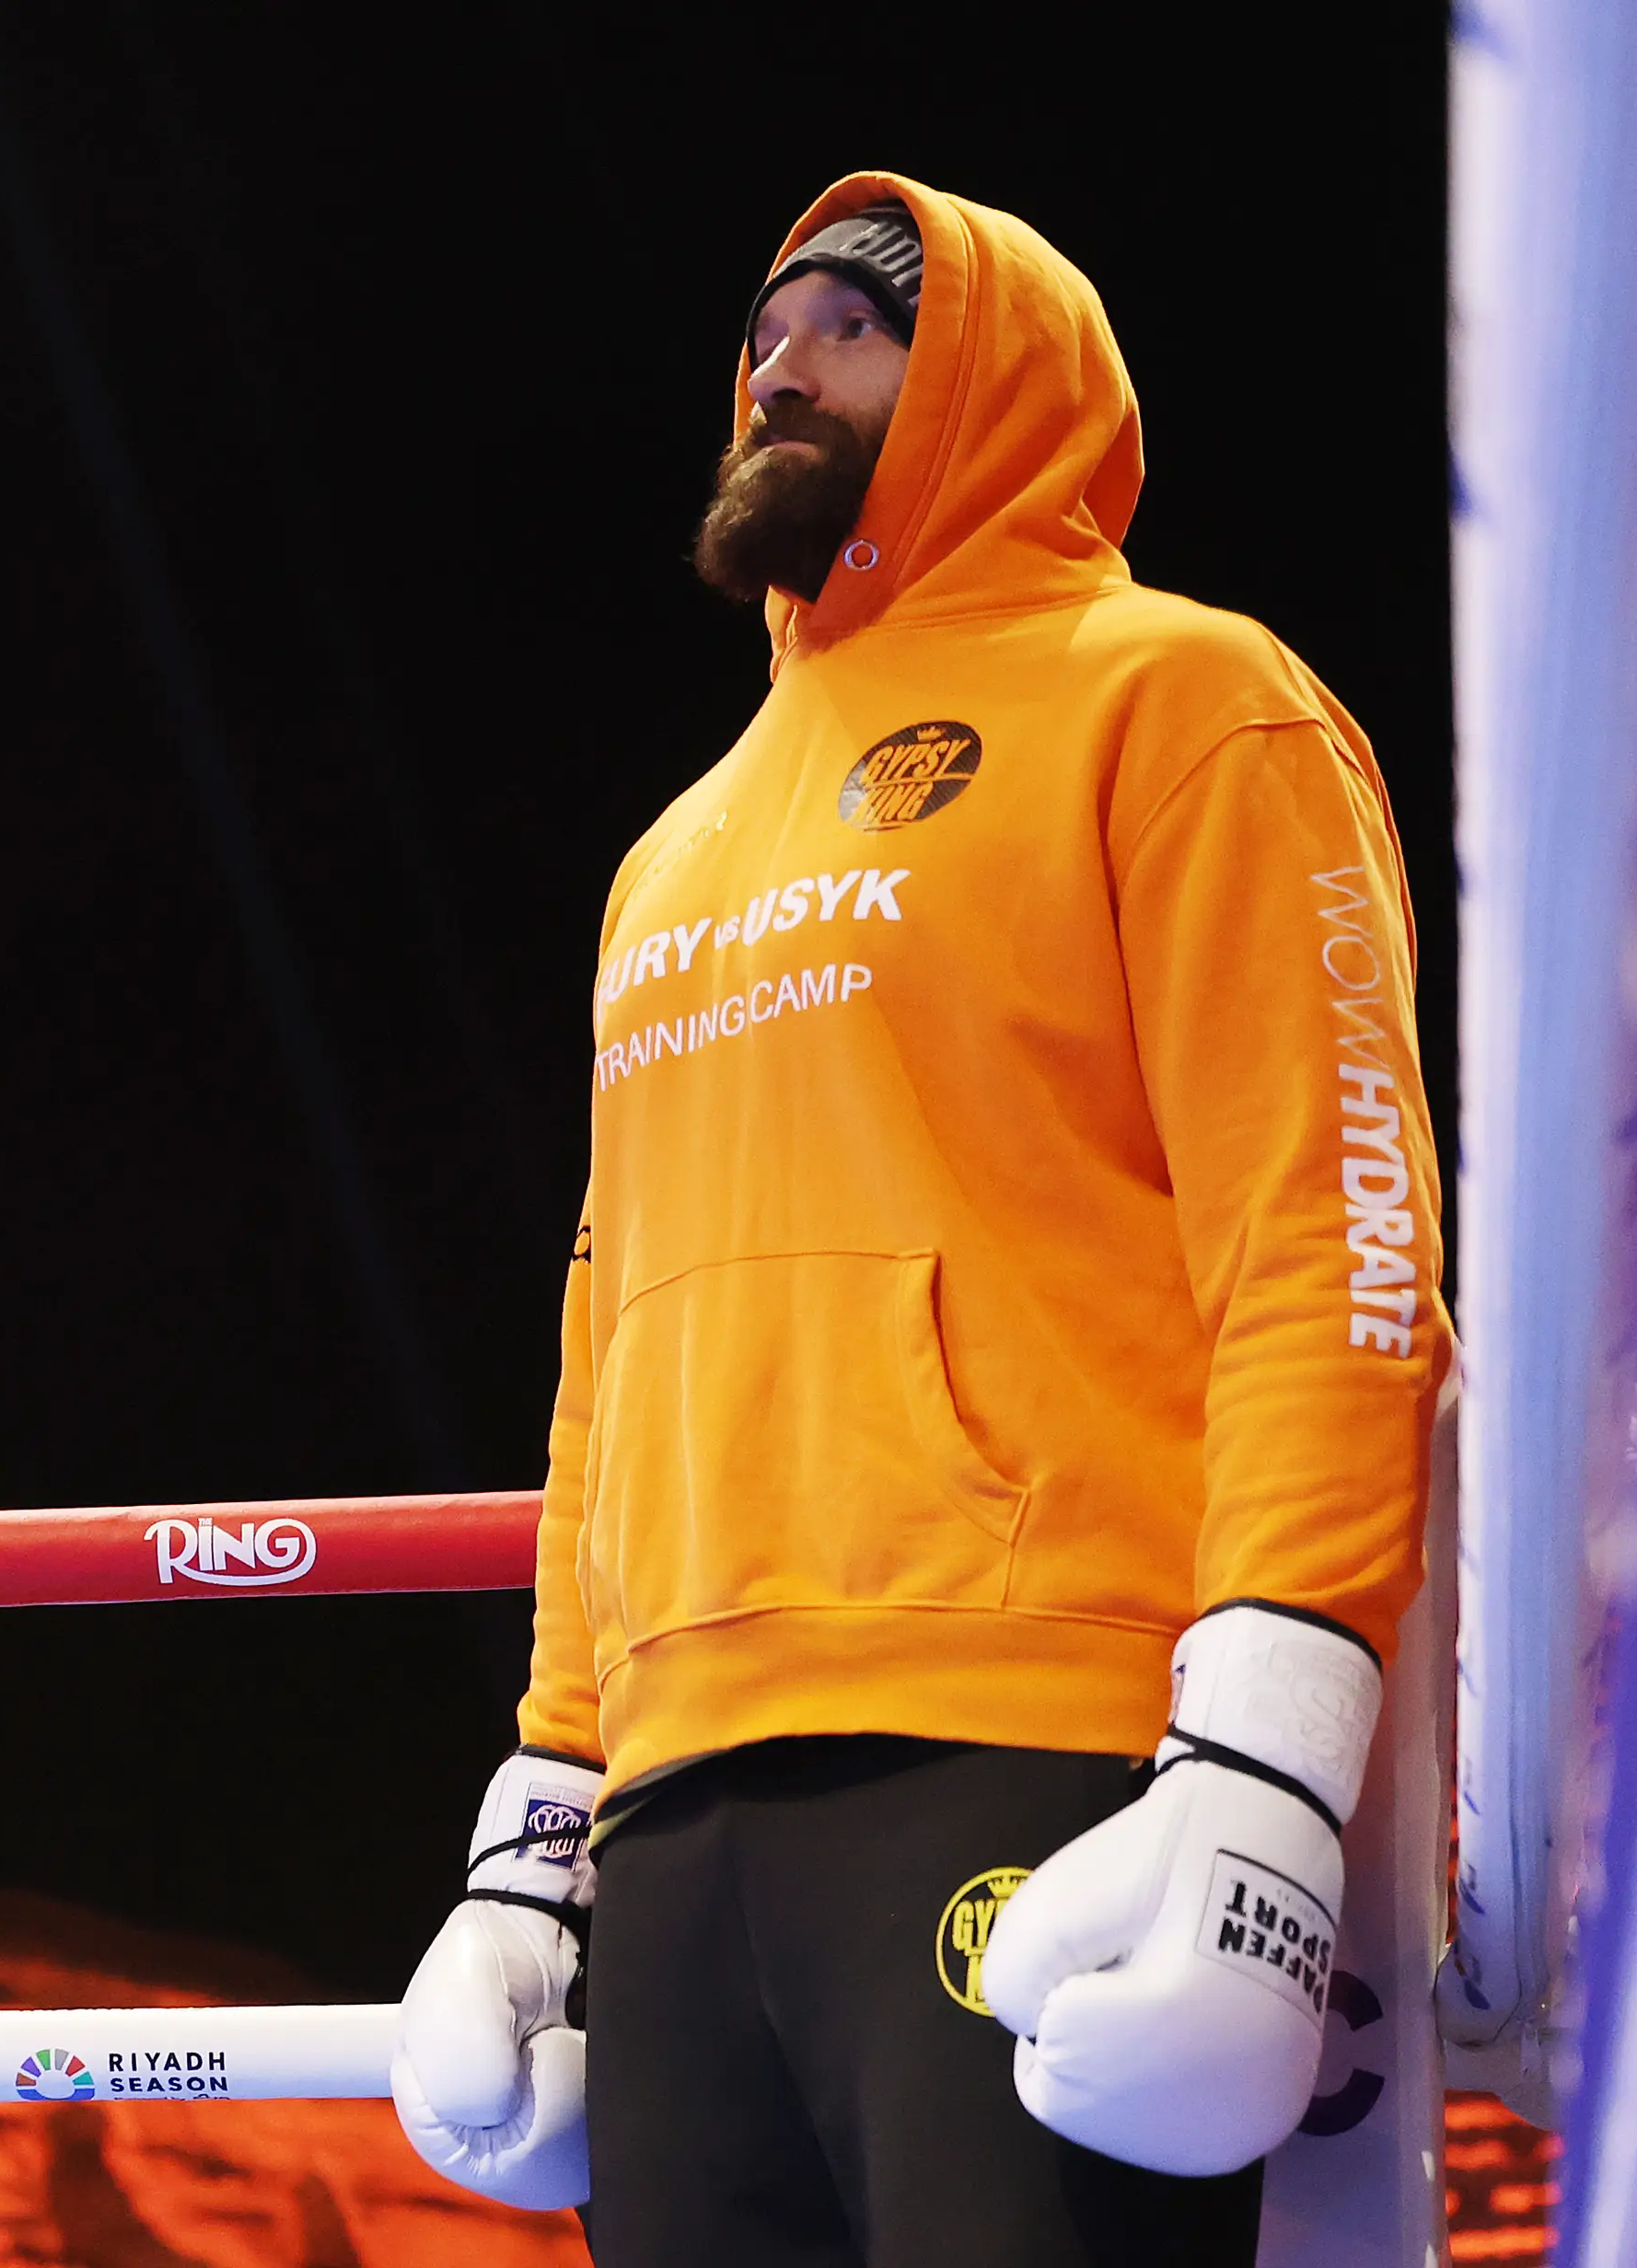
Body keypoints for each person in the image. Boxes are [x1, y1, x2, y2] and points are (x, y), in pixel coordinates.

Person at [387, 175, 1449, 2267]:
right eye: (762, 333)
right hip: (679, 1812)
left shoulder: (1187, 700)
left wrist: (1265, 1771)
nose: (782, 360)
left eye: (853, 325)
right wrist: (535, 1835)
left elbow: (1332, 1244)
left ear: (980, 366)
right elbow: (613, 1367)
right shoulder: (668, 856)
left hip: (1036, 1749)